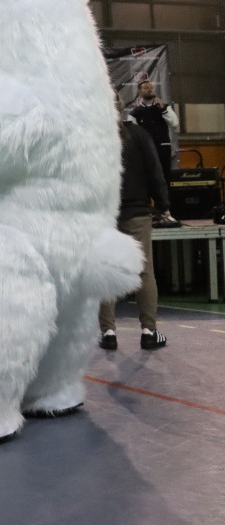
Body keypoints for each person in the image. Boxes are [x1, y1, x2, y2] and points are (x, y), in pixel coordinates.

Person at [99, 117, 172, 351]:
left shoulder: (93, 134)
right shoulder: (139, 134)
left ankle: (108, 333)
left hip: (105, 214)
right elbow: (154, 169)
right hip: (137, 212)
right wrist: (163, 204)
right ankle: (149, 332)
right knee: (144, 270)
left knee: (106, 271)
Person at [126, 79, 179, 187]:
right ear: (139, 92)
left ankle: (166, 203)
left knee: (165, 178)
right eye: (145, 88)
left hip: (163, 149)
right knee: (147, 179)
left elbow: (174, 123)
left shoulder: (164, 107)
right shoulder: (135, 113)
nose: (149, 90)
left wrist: (163, 109)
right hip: (146, 150)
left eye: (151, 87)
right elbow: (132, 134)